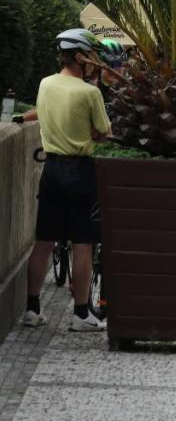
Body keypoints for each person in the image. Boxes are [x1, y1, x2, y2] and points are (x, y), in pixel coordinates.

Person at [22, 29, 112, 332]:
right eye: (90, 55)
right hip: (80, 170)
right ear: (79, 57)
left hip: (51, 169)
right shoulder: (90, 92)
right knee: (83, 242)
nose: (93, 61)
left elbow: (44, 116)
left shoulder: (45, 84)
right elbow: (104, 132)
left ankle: (32, 309)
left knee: (43, 240)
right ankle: (81, 313)